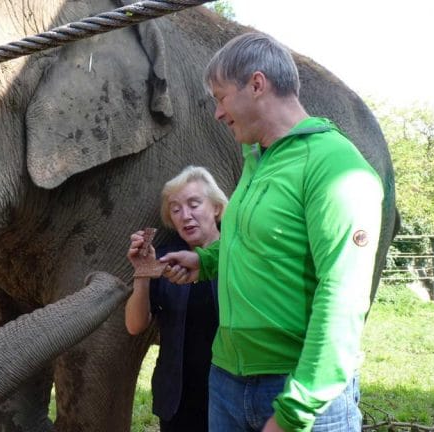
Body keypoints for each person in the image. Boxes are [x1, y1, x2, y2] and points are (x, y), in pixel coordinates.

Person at [159, 32, 384, 432]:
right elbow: (256, 240)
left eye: (221, 97)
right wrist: (206, 261)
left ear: (257, 85)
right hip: (227, 381)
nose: (217, 112)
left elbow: (342, 297)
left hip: (297, 391)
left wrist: (296, 410)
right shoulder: (256, 160)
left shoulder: (336, 168)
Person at [125, 165, 229, 432]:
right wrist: (143, 274)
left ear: (216, 208)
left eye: (194, 204)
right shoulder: (165, 258)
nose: (186, 216)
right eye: (176, 209)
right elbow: (135, 325)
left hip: (232, 392)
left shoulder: (237, 253)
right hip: (178, 399)